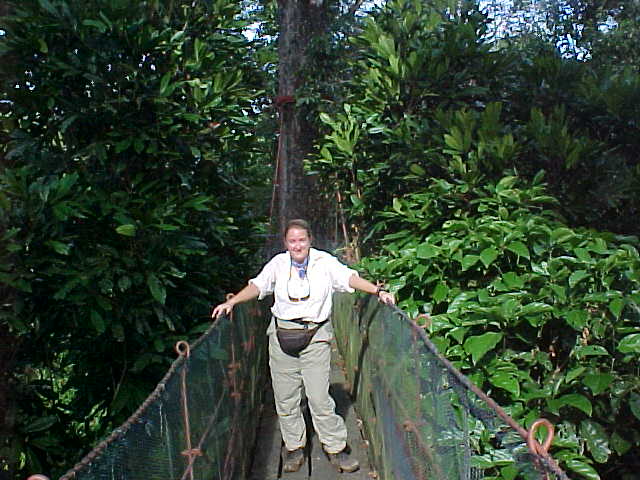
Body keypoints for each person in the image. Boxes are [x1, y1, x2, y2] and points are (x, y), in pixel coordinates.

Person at [212, 219, 395, 473]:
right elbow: (258, 285)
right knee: (285, 398)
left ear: (310, 240)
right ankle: (294, 447)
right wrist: (234, 302)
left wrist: (377, 291)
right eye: (292, 240)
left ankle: (335, 448)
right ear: (286, 243)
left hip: (315, 335)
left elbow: (348, 278)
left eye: (302, 239)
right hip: (281, 334)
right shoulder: (278, 263)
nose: (297, 245)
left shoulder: (324, 262)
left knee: (319, 397)